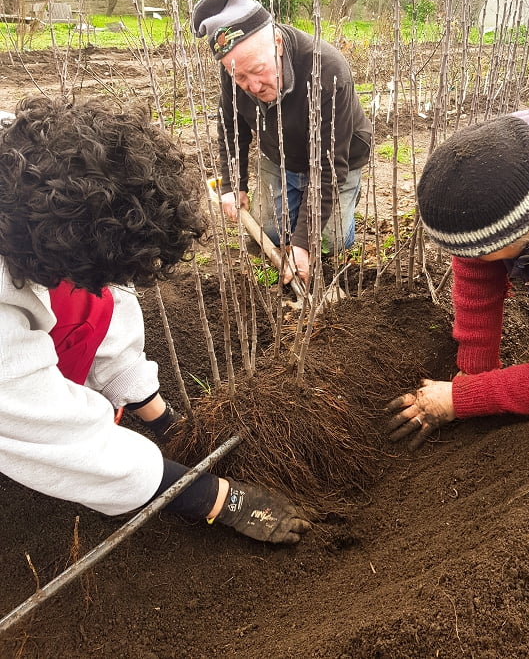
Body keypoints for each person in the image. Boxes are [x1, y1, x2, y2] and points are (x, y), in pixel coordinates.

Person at [0, 95, 310, 545]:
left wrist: (159, 417)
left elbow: (106, 295)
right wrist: (215, 498)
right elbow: (57, 436)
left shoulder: (39, 163)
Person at [387, 109, 529, 449]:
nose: (469, 259)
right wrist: (475, 366)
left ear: (524, 234)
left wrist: (461, 399)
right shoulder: (509, 155)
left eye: (481, 251)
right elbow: (476, 261)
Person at [191, 0, 372, 284]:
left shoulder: (327, 71)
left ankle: (343, 203)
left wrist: (302, 243)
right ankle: (301, 204)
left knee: (329, 242)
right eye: (240, 77)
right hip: (280, 154)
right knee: (272, 233)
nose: (252, 85)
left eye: (258, 70)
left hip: (337, 160)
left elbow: (328, 167)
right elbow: (230, 124)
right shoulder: (234, 68)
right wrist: (232, 182)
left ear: (277, 41)